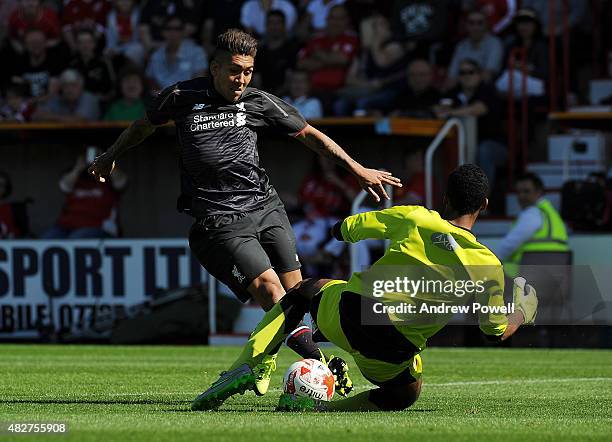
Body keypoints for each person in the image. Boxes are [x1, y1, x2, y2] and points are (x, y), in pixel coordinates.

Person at [88, 29, 401, 397]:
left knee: (297, 293)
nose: (241, 80)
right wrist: (111, 155)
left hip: (266, 208)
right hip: (220, 218)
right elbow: (142, 126)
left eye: (248, 71)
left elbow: (311, 135)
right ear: (215, 67)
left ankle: (269, 357)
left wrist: (357, 168)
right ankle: (320, 365)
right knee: (271, 291)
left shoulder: (259, 102)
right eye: (235, 70)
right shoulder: (180, 96)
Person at [191, 164, 538, 412]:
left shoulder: (416, 216)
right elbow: (494, 332)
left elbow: (345, 230)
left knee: (305, 290)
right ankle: (326, 410)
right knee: (406, 394)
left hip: (352, 315)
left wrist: (342, 229)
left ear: (445, 199)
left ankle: (252, 362)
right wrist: (522, 311)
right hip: (392, 351)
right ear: (484, 206)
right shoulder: (488, 265)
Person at [435, 59, 505, 190]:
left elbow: (478, 109)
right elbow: (439, 108)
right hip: (464, 146)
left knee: (483, 151)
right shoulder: (454, 93)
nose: (466, 76)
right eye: (462, 73)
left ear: (479, 74)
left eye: (471, 72)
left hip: (495, 144)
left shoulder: (487, 89)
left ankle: (483, 198)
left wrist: (451, 112)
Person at [492, 172, 569, 277]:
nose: (521, 196)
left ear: (539, 192)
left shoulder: (533, 213)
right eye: (518, 192)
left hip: (531, 276)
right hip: (555, 276)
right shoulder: (551, 214)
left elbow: (510, 243)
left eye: (526, 192)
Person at [43, 147, 127, 239]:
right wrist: (78, 167)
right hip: (67, 226)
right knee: (48, 238)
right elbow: (64, 186)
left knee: (77, 238)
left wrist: (107, 161)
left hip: (99, 227)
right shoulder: (77, 177)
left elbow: (122, 182)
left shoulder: (108, 178)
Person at [296, 4, 359, 93]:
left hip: (338, 90)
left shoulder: (352, 38)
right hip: (311, 90)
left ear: (347, 20)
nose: (336, 22)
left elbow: (343, 59)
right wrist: (330, 61)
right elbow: (301, 63)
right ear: (327, 19)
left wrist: (318, 54)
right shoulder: (317, 38)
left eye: (340, 18)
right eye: (333, 18)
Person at [145, 15, 208, 90]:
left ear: (183, 31)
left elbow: (199, 83)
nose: (173, 32)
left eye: (177, 29)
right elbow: (151, 83)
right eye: (168, 28)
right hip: (163, 98)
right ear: (162, 32)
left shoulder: (197, 53)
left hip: (188, 98)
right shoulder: (156, 56)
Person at [446, 9, 503, 88]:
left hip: (484, 90)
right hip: (461, 89)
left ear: (486, 25)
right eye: (471, 23)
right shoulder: (461, 45)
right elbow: (451, 76)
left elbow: (487, 75)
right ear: (466, 25)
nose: (475, 27)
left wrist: (464, 79)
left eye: (480, 23)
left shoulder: (495, 43)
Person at [253, 9, 300, 96]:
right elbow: (256, 80)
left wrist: (275, 98)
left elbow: (290, 80)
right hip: (262, 97)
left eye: (278, 23)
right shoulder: (259, 52)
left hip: (286, 97)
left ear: (284, 26)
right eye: (271, 23)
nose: (274, 26)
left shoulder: (292, 49)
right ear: (266, 26)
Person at [33, 68, 100, 121]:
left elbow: (79, 120)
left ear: (81, 86)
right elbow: (37, 116)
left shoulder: (89, 98)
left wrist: (50, 116)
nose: (69, 90)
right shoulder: (57, 98)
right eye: (65, 85)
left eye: (73, 85)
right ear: (61, 88)